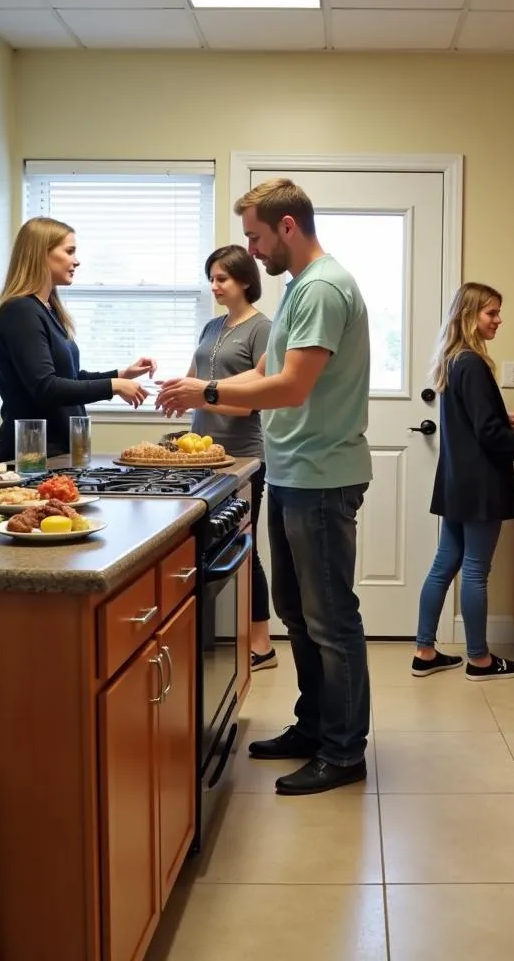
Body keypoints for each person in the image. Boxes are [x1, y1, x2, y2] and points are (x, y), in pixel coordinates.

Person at [156, 178, 372, 796]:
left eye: (254, 237)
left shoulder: (325, 287)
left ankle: (343, 750)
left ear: (286, 227)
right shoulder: (302, 288)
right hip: (293, 468)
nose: (250, 252)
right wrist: (197, 385)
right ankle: (313, 726)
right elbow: (266, 371)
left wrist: (211, 393)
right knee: (298, 615)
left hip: (323, 476)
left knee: (331, 620)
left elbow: (292, 387)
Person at [413, 282, 514, 682]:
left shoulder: (453, 360)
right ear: (469, 316)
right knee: (476, 570)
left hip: (457, 481)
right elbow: (489, 435)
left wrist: (501, 415)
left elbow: (475, 419)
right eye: (491, 313)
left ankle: (424, 650)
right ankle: (479, 660)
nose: (498, 320)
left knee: (445, 563)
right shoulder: (474, 363)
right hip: (480, 483)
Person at [0, 217, 156, 464]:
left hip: (59, 453)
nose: (76, 261)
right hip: (31, 459)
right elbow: (46, 387)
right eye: (69, 251)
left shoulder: (46, 310)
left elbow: (69, 379)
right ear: (41, 254)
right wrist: (113, 386)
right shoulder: (21, 311)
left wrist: (123, 375)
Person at [187, 245, 275, 671]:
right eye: (212, 278)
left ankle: (262, 644)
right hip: (200, 453)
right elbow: (195, 379)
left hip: (242, 456)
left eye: (222, 278)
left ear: (244, 280)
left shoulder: (263, 329)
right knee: (202, 546)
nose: (215, 285)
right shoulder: (210, 326)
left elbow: (248, 403)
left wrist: (199, 393)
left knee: (245, 544)